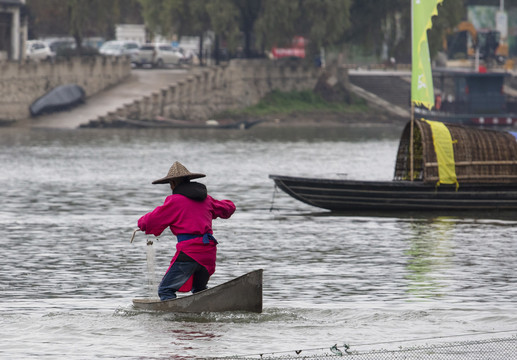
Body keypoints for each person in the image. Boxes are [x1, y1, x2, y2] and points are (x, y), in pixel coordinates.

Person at [137, 161, 236, 301]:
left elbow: (149, 221)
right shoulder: (207, 199)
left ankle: (172, 321)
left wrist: (140, 224)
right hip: (208, 253)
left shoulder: (174, 201)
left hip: (190, 252)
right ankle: (204, 317)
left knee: (165, 290)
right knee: (199, 291)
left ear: (173, 183)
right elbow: (228, 208)